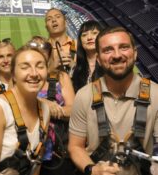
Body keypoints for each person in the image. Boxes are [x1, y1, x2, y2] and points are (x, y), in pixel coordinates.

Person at [68, 26, 158, 175]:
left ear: (135, 53)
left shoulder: (155, 94)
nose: (117, 55)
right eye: (108, 50)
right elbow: (75, 146)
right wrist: (93, 169)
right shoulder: (84, 95)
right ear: (98, 59)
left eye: (123, 47)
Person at [0, 46, 50, 175]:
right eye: (25, 67)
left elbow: (36, 162)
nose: (34, 73)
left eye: (40, 66)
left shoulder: (45, 109)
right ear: (13, 74)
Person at [26, 36, 75, 175]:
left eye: (45, 47)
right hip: (27, 149)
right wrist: (43, 104)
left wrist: (44, 109)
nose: (40, 51)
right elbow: (14, 106)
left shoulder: (61, 76)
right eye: (34, 46)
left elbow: (73, 110)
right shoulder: (19, 77)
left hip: (57, 150)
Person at [71, 20, 104, 93]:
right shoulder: (74, 71)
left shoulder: (110, 66)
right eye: (84, 35)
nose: (89, 37)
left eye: (94, 33)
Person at [45, 8, 77, 73]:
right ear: (46, 27)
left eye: (58, 17)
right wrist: (51, 68)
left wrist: (74, 66)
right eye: (49, 19)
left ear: (65, 22)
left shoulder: (79, 46)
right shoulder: (41, 49)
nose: (53, 20)